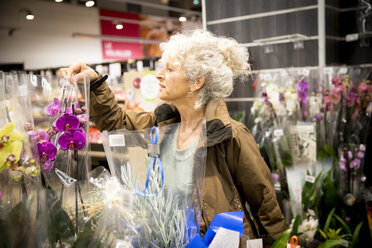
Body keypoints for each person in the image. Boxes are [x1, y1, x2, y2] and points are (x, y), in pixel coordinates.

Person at [58, 29, 287, 245]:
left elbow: (266, 205)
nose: (159, 75)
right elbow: (117, 122)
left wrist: (280, 244)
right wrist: (95, 82)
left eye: (170, 69)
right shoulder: (162, 126)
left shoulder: (230, 135)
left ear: (197, 82)